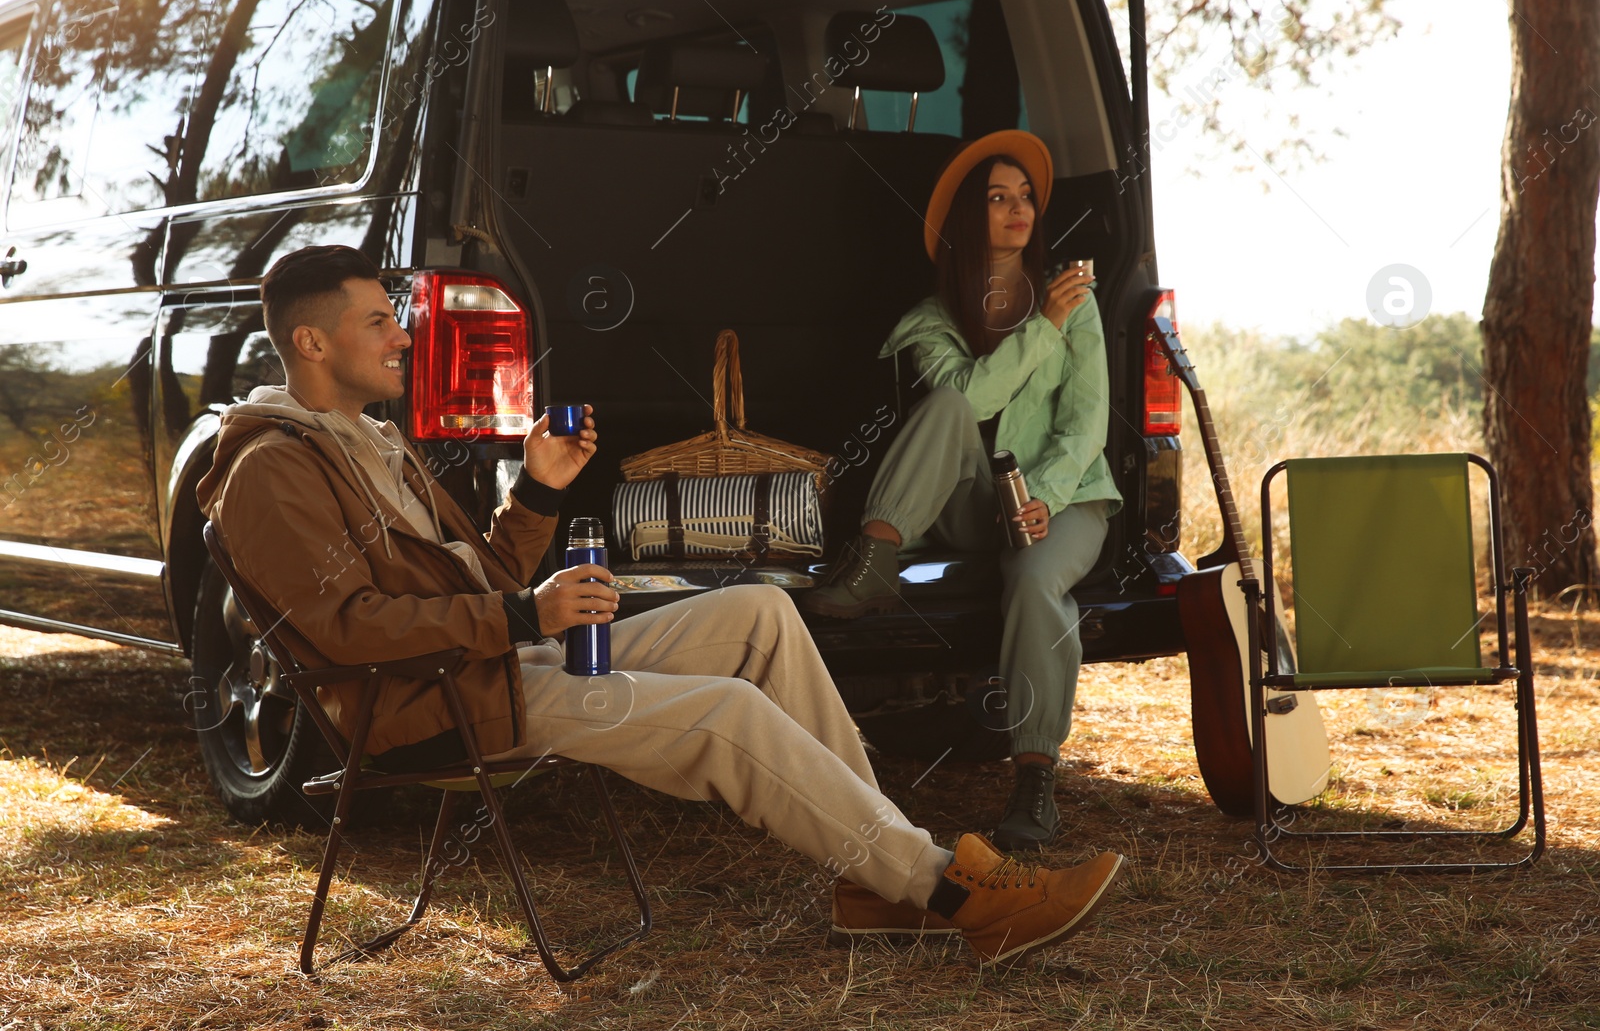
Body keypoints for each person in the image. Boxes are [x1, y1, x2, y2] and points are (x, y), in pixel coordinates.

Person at [195, 244, 1125, 969]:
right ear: (311, 342)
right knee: (726, 712)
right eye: (376, 322)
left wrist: (542, 496)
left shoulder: (373, 441)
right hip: (429, 704)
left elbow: (481, 576)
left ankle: (881, 878)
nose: (402, 334)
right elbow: (346, 632)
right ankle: (949, 892)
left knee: (760, 610)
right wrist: (525, 619)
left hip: (495, 661)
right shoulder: (272, 469)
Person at [801, 130, 1124, 852]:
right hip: (972, 505)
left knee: (1037, 582)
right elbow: (971, 402)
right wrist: (1042, 327)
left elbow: (1087, 422)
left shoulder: (1075, 300)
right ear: (963, 221)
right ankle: (876, 558)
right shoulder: (932, 321)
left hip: (1066, 501)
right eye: (997, 197)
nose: (1018, 209)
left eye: (1027, 197)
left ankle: (1034, 781)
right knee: (946, 405)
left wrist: (1042, 492)